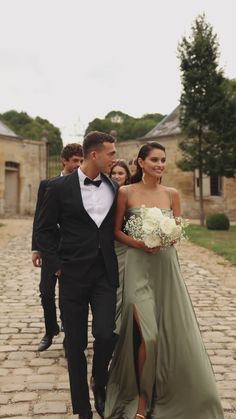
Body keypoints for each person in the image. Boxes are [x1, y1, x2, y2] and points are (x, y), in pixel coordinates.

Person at [105, 142, 224, 419]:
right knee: (150, 335)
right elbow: (115, 232)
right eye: (155, 160)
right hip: (137, 266)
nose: (160, 165)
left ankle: (165, 394)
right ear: (141, 162)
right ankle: (142, 400)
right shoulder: (125, 192)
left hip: (166, 268)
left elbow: (178, 231)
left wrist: (166, 236)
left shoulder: (171, 194)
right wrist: (140, 242)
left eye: (163, 160)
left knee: (170, 332)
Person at [36, 131, 119, 419]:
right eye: (111, 153)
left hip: (105, 274)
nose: (115, 159)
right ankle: (82, 409)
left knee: (107, 334)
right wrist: (57, 264)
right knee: (75, 344)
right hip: (71, 275)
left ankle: (100, 381)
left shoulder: (114, 186)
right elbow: (44, 230)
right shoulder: (58, 188)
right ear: (94, 155)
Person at [32, 143, 83, 352]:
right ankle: (50, 330)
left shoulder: (83, 185)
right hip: (50, 248)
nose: (78, 165)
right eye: (74, 161)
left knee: (67, 297)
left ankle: (69, 335)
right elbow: (39, 219)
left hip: (72, 250)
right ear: (64, 160)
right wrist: (36, 248)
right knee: (45, 293)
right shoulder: (47, 184)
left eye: (81, 161)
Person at [109, 160, 131, 333]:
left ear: (127, 176)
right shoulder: (105, 193)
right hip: (110, 246)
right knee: (113, 287)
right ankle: (112, 325)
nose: (116, 176)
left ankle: (122, 327)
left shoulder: (132, 194)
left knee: (125, 286)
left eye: (120, 173)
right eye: (113, 173)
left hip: (128, 246)